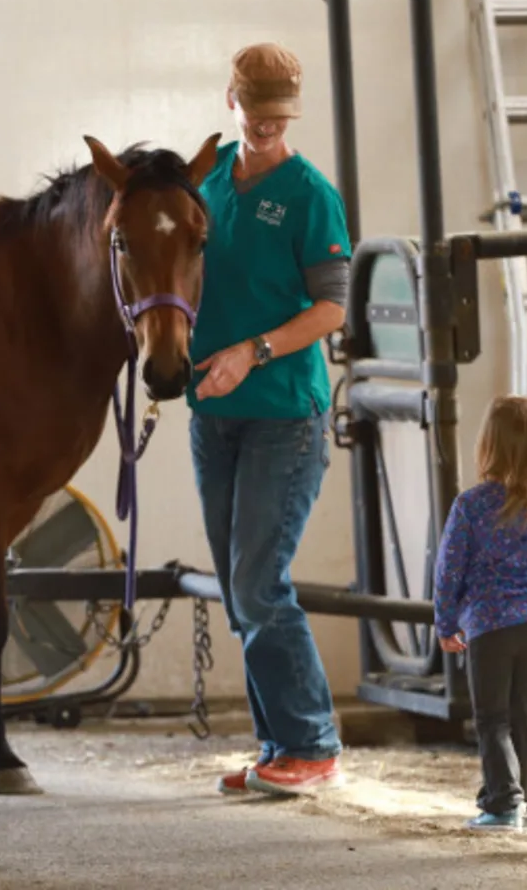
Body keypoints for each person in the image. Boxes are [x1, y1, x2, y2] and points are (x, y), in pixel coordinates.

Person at [189, 42, 352, 797]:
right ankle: (277, 744)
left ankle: (313, 743)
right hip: (214, 413)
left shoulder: (310, 192)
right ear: (232, 100)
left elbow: (331, 306)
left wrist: (252, 352)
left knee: (258, 581)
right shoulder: (212, 182)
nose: (264, 132)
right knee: (237, 587)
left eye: (277, 120)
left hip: (283, 412)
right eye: (255, 118)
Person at [433, 395, 527, 831]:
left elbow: (448, 570)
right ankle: (526, 800)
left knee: (491, 718)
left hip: (490, 626)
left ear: (488, 445)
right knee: (522, 716)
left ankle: (502, 803)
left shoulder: (471, 505)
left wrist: (445, 621)